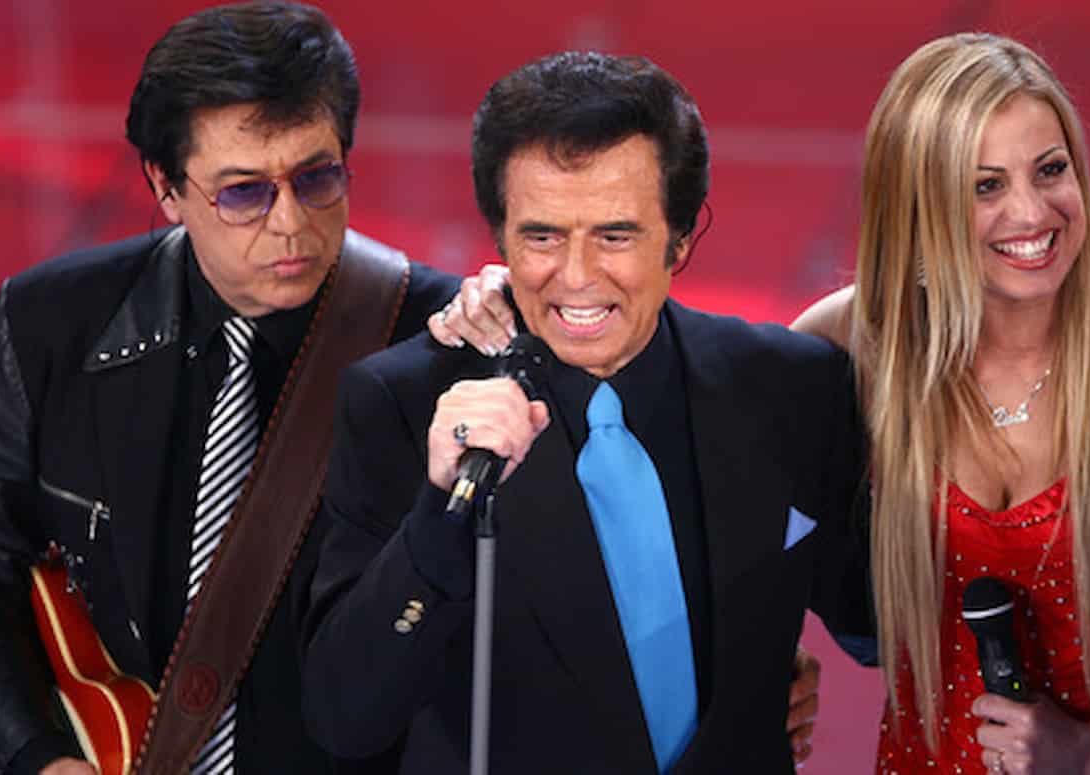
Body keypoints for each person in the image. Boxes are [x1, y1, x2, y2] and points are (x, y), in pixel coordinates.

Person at [301, 51, 871, 774]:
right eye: (542, 235)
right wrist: (441, 513)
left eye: (614, 235)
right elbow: (344, 715)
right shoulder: (405, 403)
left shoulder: (791, 386)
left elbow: (876, 622)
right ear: (500, 237)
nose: (575, 276)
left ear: (681, 236)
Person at [0, 3, 470, 774]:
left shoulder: (444, 338)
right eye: (244, 192)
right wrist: (37, 757)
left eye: (317, 177)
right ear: (166, 187)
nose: (290, 222)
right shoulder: (54, 322)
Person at [789, 33, 1090, 774]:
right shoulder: (856, 344)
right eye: (986, 186)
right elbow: (727, 519)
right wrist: (769, 658)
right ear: (920, 206)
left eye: (1050, 170)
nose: (1032, 212)